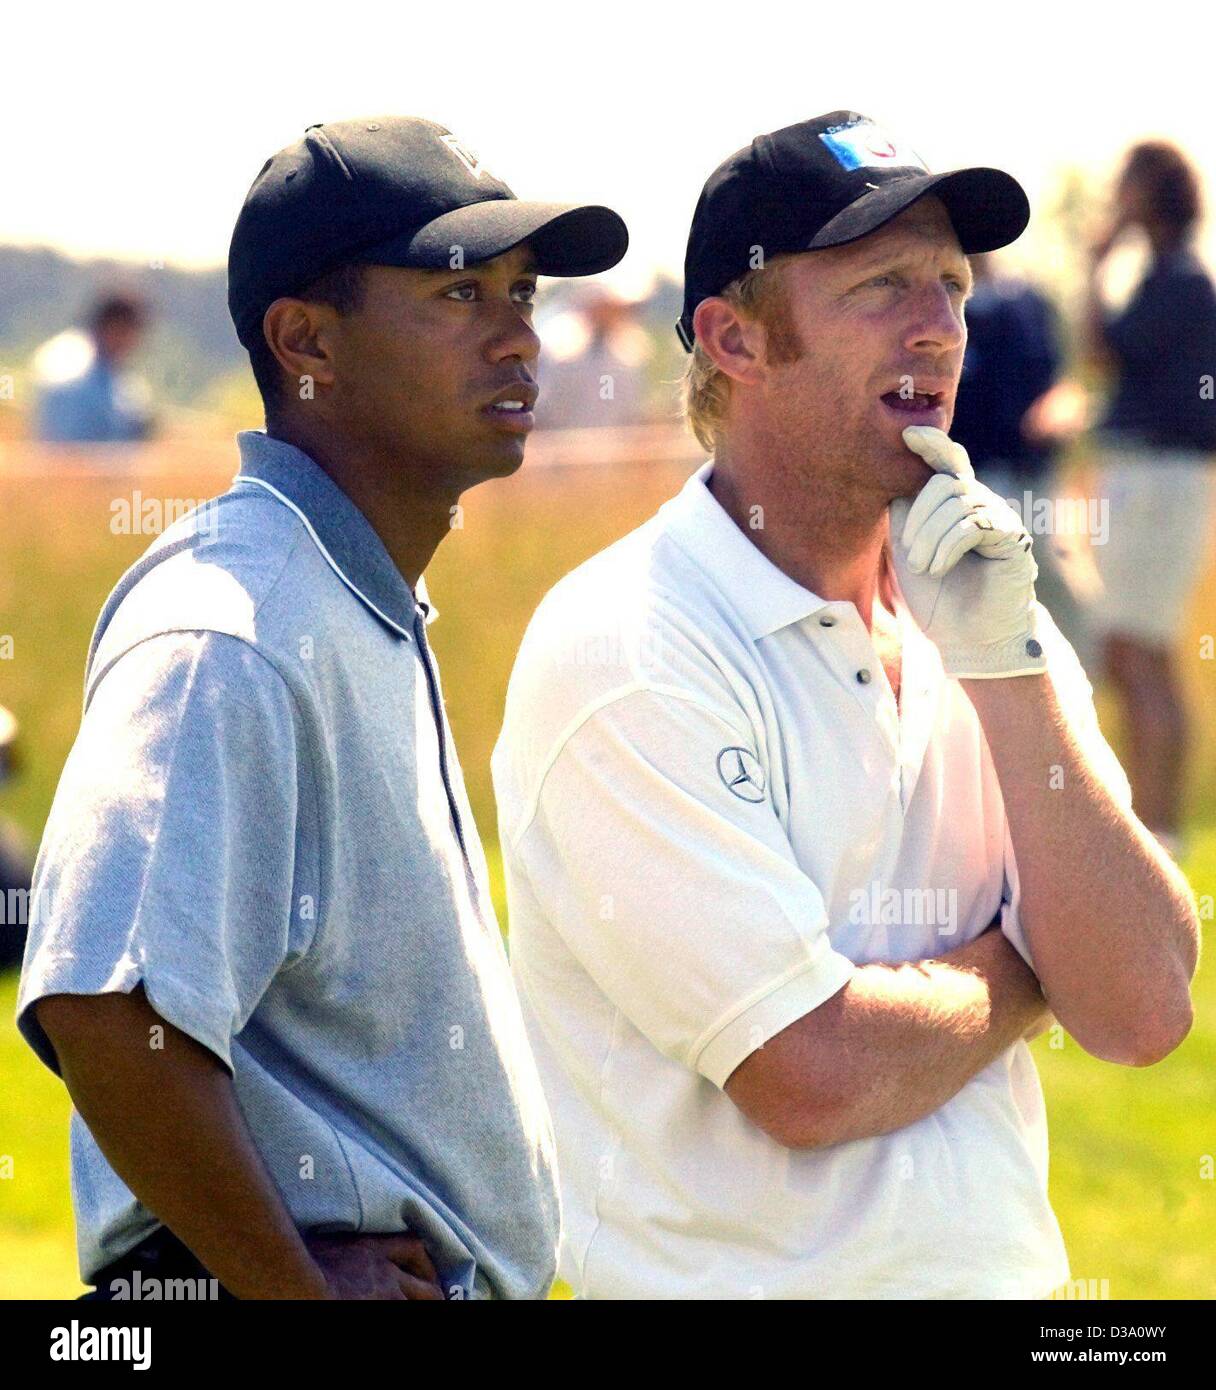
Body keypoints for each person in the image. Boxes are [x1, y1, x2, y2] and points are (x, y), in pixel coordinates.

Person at [491, 111, 1199, 1299]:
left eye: (951, 286)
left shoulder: (979, 600)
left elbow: (1139, 1007)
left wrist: (1008, 668)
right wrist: (1027, 968)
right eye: (881, 287)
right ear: (733, 339)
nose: (940, 328)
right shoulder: (629, 641)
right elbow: (808, 1072)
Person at [16, 116, 627, 1300]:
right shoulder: (227, 627)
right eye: (458, 295)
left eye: (523, 291)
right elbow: (106, 1007)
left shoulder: (343, 594)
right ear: (307, 343)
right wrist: (287, 1287)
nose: (519, 336)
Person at [1083, 140, 1216, 862]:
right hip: (1154, 479)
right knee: (1143, 654)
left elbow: (1102, 350)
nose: (1116, 192)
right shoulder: (1173, 276)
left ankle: (1156, 831)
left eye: (1126, 181)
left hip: (1158, 480)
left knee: (1141, 655)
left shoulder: (1181, 282)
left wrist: (1093, 266)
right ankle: (1155, 829)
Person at [34, 293, 156, 444]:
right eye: (130, 332)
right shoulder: (76, 371)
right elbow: (69, 447)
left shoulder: (111, 373)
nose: (134, 342)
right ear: (114, 328)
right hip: (71, 463)